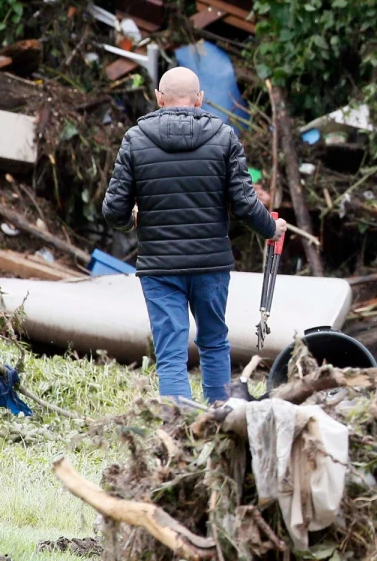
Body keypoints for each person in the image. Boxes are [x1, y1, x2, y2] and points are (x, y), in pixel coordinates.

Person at [101, 66, 285, 402]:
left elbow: (113, 211)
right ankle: (220, 422)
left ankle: (177, 433)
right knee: (214, 341)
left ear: (159, 98)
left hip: (160, 267)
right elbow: (245, 205)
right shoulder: (224, 137)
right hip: (210, 264)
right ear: (200, 100)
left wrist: (133, 221)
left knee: (171, 351)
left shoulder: (135, 140)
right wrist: (272, 228)